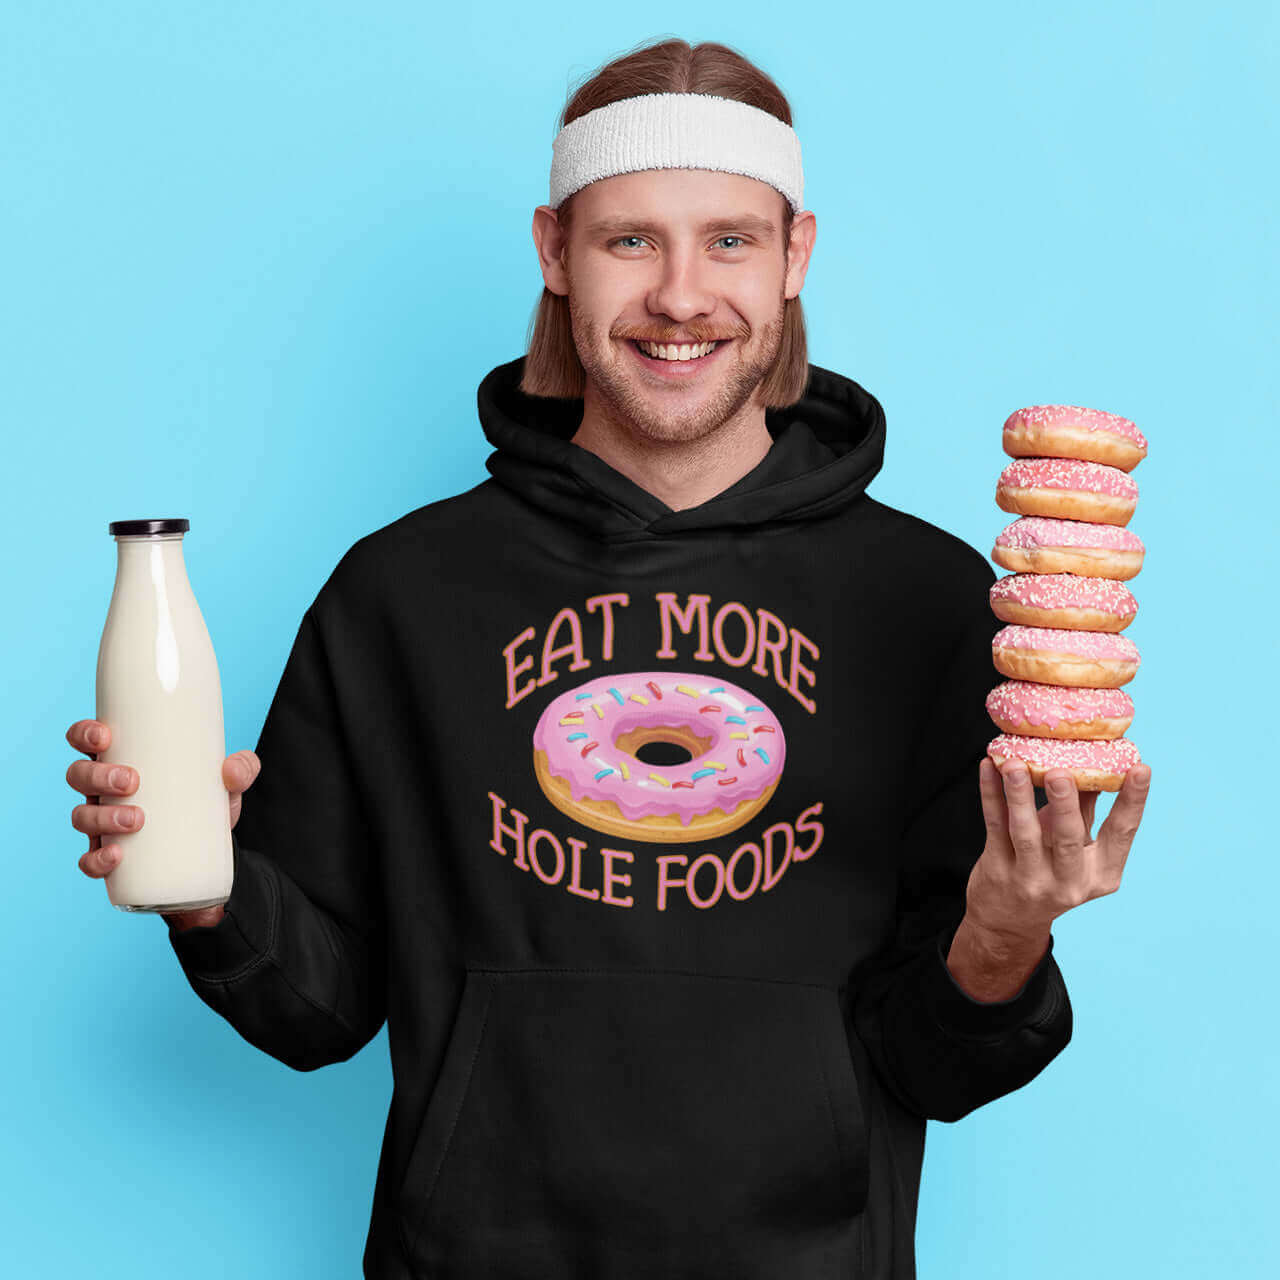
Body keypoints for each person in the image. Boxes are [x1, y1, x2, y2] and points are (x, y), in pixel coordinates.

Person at [66, 38, 1151, 1280]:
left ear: (795, 256)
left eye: (729, 240)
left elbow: (935, 1062)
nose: (680, 295)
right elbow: (317, 1011)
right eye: (629, 239)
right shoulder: (404, 592)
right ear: (552, 252)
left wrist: (1005, 930)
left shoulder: (935, 600)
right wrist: (204, 886)